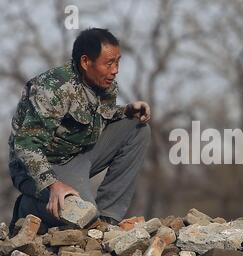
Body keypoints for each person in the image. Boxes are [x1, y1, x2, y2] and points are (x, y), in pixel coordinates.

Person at [9, 28, 151, 230]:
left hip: (77, 154)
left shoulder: (104, 83)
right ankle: (28, 207)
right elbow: (25, 144)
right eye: (109, 63)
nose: (115, 70)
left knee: (138, 128)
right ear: (86, 62)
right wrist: (53, 185)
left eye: (117, 62)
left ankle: (108, 218)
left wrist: (127, 111)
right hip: (40, 167)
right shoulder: (53, 89)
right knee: (82, 216)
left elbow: (100, 115)